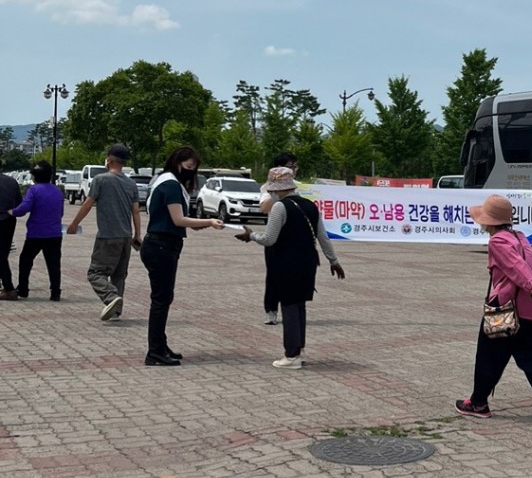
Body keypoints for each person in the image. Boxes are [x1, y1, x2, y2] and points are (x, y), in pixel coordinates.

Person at [455, 194, 532, 421]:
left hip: (506, 309)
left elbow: (518, 268)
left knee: (489, 355)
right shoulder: (520, 236)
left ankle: (478, 403)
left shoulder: (498, 241)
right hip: (531, 312)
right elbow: (529, 267)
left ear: (488, 221)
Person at [236, 166, 344, 368]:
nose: (271, 193)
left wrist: (250, 236)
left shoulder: (280, 207)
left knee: (289, 306)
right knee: (299, 305)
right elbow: (323, 236)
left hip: (286, 263)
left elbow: (269, 239)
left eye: (272, 190)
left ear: (277, 189)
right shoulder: (311, 206)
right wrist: (333, 260)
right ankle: (299, 350)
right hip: (308, 262)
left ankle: (291, 355)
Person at [141, 147, 223, 366]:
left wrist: (199, 225)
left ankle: (160, 345)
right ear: (177, 162)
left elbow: (179, 220)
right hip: (161, 246)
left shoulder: (165, 181)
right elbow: (178, 219)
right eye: (188, 166)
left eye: (194, 167)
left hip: (161, 244)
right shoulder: (170, 185)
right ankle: (155, 351)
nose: (191, 171)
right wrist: (209, 221)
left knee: (163, 298)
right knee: (161, 299)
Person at [66, 144, 143, 321]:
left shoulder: (101, 180)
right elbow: (136, 211)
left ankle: (110, 298)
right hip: (125, 236)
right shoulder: (131, 183)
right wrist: (137, 235)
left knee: (95, 273)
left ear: (109, 159)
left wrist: (74, 224)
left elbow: (87, 204)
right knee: (119, 275)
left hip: (108, 235)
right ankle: (115, 311)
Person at [8, 161, 63, 301]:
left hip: (36, 233)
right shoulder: (57, 191)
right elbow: (61, 212)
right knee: (54, 264)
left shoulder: (33, 190)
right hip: (54, 233)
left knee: (25, 260)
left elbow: (24, 208)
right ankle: (55, 292)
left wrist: (12, 212)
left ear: (34, 176)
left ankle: (23, 288)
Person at [258, 152, 298, 325]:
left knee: (296, 274)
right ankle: (271, 310)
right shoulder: (267, 187)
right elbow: (264, 208)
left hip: (297, 236)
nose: (294, 169)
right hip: (275, 236)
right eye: (290, 166)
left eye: (294, 166)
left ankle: (294, 309)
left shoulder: (302, 186)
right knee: (274, 274)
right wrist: (277, 193)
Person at [0, 163, 21, 300]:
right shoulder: (12, 182)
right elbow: (19, 202)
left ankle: (9, 288)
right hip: (7, 220)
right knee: (2, 253)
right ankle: (7, 287)